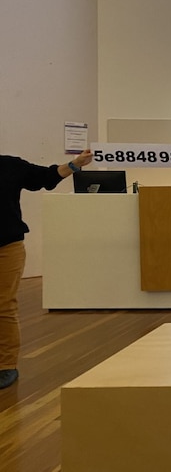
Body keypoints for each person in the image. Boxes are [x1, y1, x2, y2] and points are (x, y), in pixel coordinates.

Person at [0, 149, 93, 389]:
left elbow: (45, 177)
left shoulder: (10, 165)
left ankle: (5, 366)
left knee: (3, 306)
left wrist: (75, 164)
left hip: (6, 246)